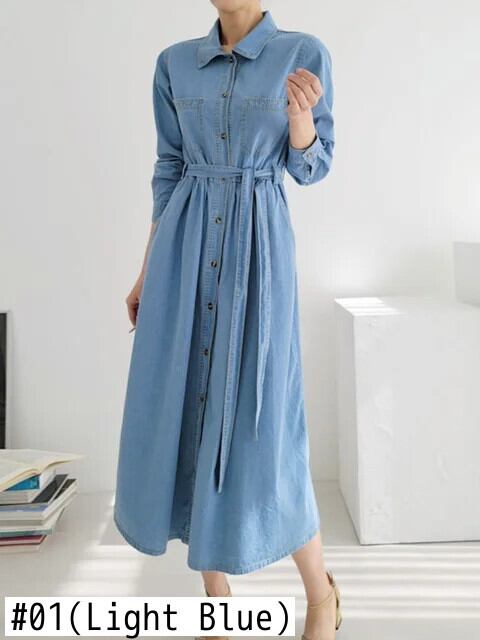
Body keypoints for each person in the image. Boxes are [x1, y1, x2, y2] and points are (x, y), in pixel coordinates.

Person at [114, 1, 340, 638]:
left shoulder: (302, 53)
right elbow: (169, 168)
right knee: (188, 408)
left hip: (257, 251)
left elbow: (313, 167)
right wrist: (147, 270)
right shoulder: (174, 65)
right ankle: (218, 597)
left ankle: (321, 594)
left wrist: (300, 123)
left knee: (267, 430)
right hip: (183, 250)